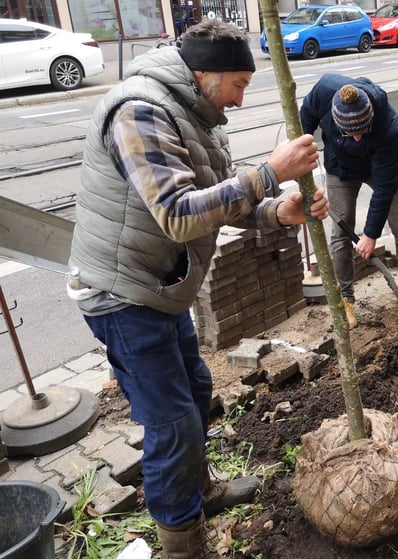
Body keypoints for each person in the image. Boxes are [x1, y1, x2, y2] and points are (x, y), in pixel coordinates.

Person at [66, 20, 327, 558]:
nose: (239, 97)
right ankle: (182, 543)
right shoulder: (139, 111)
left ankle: (199, 489)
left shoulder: (201, 116)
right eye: (237, 84)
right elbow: (180, 216)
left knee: (198, 393)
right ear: (203, 73)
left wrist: (278, 212)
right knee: (173, 423)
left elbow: (220, 200)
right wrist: (270, 172)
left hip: (160, 289)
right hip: (122, 293)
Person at [299, 73, 398, 328]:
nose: (358, 137)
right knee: (340, 234)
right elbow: (304, 117)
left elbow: (384, 188)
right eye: (350, 133)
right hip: (341, 169)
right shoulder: (324, 91)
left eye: (362, 131)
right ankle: (346, 299)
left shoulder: (388, 126)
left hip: (378, 167)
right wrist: (301, 147)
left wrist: (370, 234)